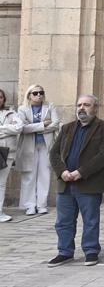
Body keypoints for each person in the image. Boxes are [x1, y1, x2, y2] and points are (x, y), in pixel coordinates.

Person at [48, 95, 104, 267]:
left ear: (95, 108)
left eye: (86, 105)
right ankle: (65, 252)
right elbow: (54, 153)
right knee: (63, 221)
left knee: (90, 220)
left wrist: (81, 172)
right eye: (79, 105)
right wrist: (62, 171)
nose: (82, 108)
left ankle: (91, 251)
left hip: (89, 183)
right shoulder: (67, 128)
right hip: (66, 183)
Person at [17, 83, 60, 216]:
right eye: (35, 93)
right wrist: (42, 125)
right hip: (29, 146)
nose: (39, 95)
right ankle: (29, 205)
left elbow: (56, 123)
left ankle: (42, 204)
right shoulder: (22, 109)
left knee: (44, 174)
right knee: (29, 175)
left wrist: (34, 127)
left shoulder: (49, 106)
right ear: (29, 95)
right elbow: (23, 128)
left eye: (41, 92)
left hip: (45, 145)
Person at [0, 88, 24, 222]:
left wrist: (1, 129)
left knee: (1, 183)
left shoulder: (11, 113)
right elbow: (12, 129)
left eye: (0, 97)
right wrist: (8, 129)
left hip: (7, 152)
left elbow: (18, 128)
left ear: (4, 99)